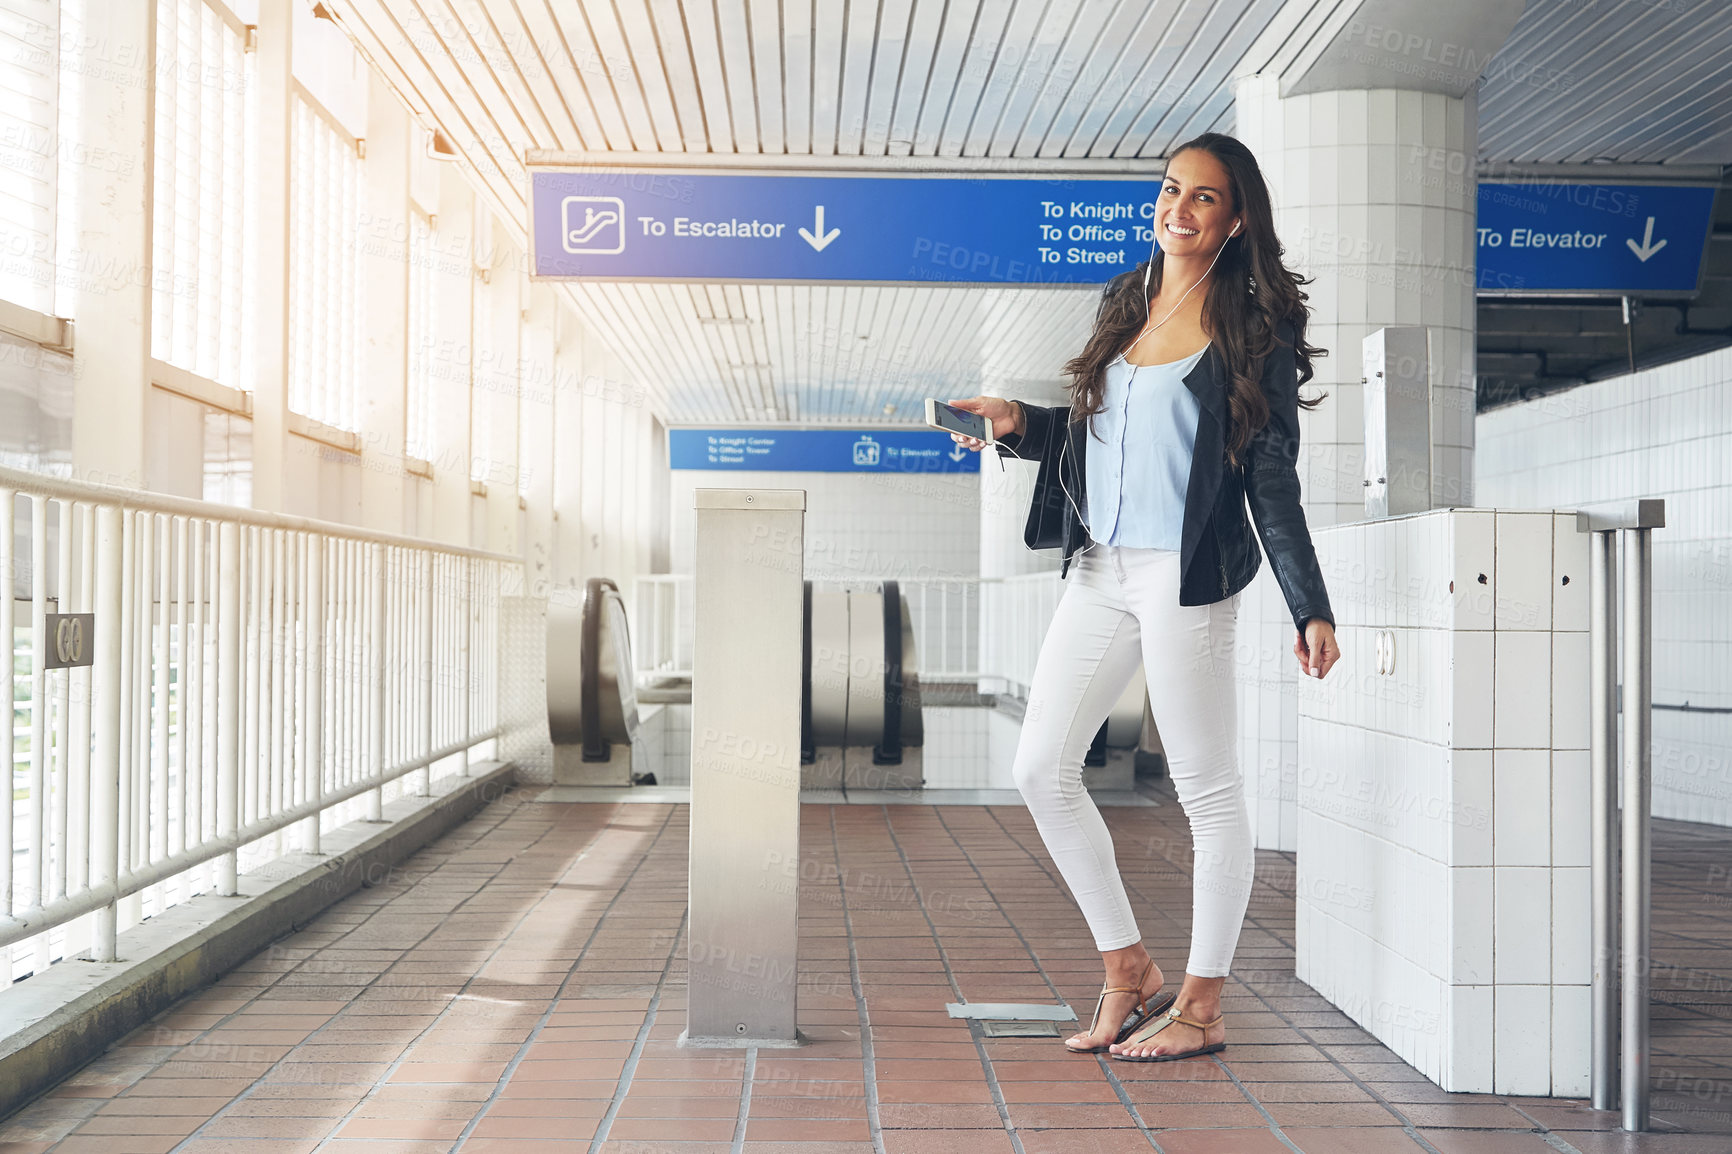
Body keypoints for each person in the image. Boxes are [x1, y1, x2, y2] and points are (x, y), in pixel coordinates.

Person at [947, 133, 1340, 1063]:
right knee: (1040, 769)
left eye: (1205, 198)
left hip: (1185, 572)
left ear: (1235, 219)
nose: (1180, 207)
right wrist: (1018, 424)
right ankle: (1130, 969)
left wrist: (1307, 602)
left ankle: (1202, 1005)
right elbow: (1100, 440)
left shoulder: (1253, 329)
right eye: (1172, 190)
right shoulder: (1126, 300)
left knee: (1207, 788)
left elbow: (1270, 477)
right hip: (1098, 566)